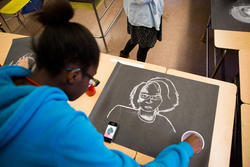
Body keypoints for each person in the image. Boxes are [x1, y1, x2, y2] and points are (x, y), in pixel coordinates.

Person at [0, 0, 202, 166]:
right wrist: (184, 150)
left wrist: (18, 70)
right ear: (74, 76)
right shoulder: (67, 131)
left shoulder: (7, 77)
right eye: (91, 78)